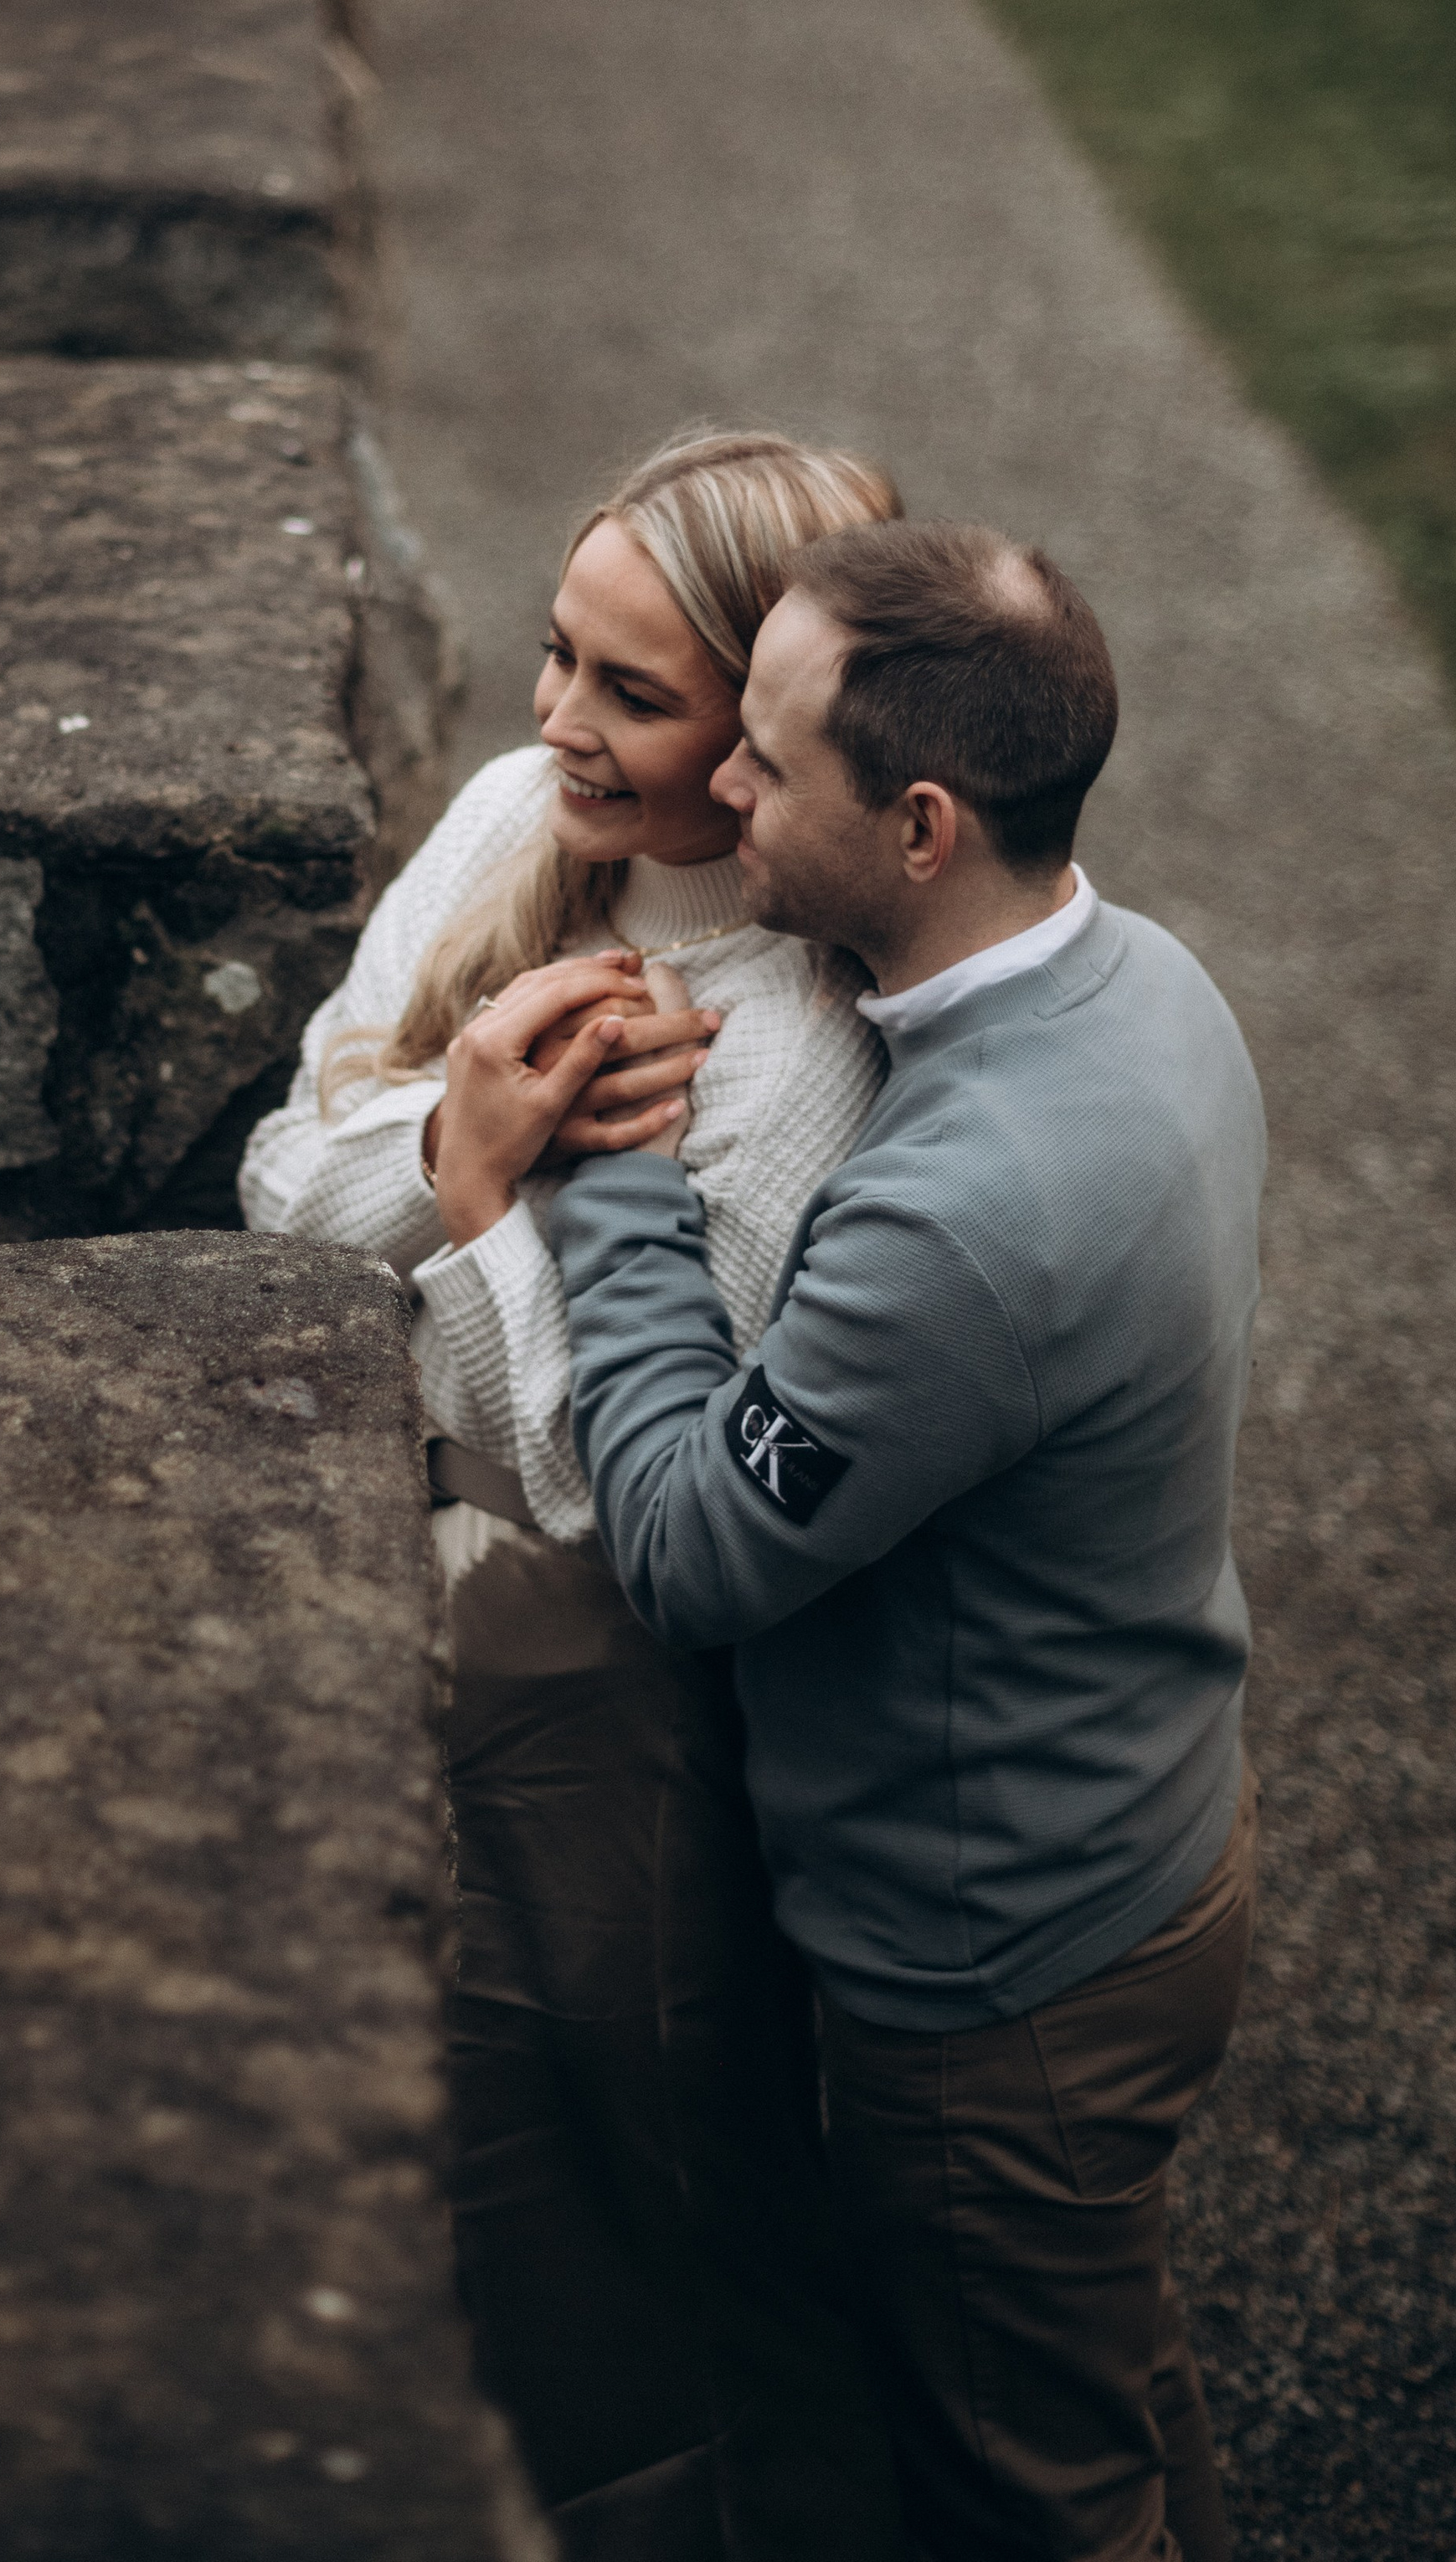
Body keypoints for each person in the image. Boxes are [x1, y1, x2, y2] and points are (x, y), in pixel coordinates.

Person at [433, 519, 1263, 2562]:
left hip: (996, 1977)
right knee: (1099, 2377)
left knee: (1023, 2493)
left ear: (914, 823)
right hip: (1141, 1836)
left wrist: (603, 1183)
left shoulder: (967, 1210)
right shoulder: (1136, 976)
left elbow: (700, 1548)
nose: (715, 786)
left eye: (765, 765)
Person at [240, 435, 910, 2560]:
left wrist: (442, 1207)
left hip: (582, 1679)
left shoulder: (787, 1050)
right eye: (554, 656)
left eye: (628, 692)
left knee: (616, 2189)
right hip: (377, 1595)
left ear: (763, 735)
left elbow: (591, 1475)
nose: (553, 723)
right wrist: (473, 1143)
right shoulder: (513, 824)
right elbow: (272, 1182)